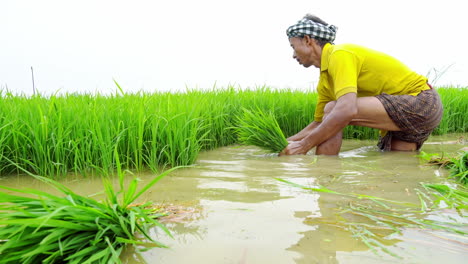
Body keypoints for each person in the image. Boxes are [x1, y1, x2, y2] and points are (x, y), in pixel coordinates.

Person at [280, 14, 443, 155]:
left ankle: (325, 178)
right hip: (405, 120)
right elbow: (319, 124)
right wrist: (284, 142)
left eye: (293, 47)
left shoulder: (339, 55)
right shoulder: (325, 82)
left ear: (308, 40)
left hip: (422, 102)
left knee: (333, 109)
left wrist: (303, 145)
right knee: (396, 168)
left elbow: (346, 110)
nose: (293, 55)